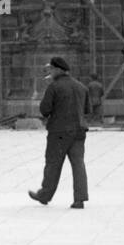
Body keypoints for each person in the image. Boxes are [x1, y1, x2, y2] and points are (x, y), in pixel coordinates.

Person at [29, 57, 89, 208]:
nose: (49, 72)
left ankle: (45, 195)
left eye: (51, 69)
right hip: (79, 131)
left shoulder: (54, 87)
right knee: (78, 164)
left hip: (59, 132)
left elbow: (45, 110)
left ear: (57, 70)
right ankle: (79, 199)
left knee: (53, 164)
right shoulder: (81, 87)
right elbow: (87, 109)